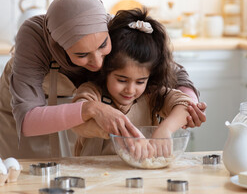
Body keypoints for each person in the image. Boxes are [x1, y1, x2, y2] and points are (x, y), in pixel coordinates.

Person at [0, 0, 206, 159]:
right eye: (82, 54)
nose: (98, 63)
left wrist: (190, 106)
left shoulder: (110, 25)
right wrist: (93, 109)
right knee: (28, 170)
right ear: (59, 48)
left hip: (75, 105)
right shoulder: (33, 38)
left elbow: (171, 70)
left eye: (103, 46)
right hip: (27, 105)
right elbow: (29, 121)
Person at [71, 8, 195, 157]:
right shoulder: (92, 92)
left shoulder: (152, 94)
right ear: (105, 71)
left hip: (140, 174)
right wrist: (119, 132)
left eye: (140, 82)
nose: (130, 90)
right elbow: (75, 121)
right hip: (94, 173)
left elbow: (186, 105)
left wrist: (165, 129)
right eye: (122, 80)